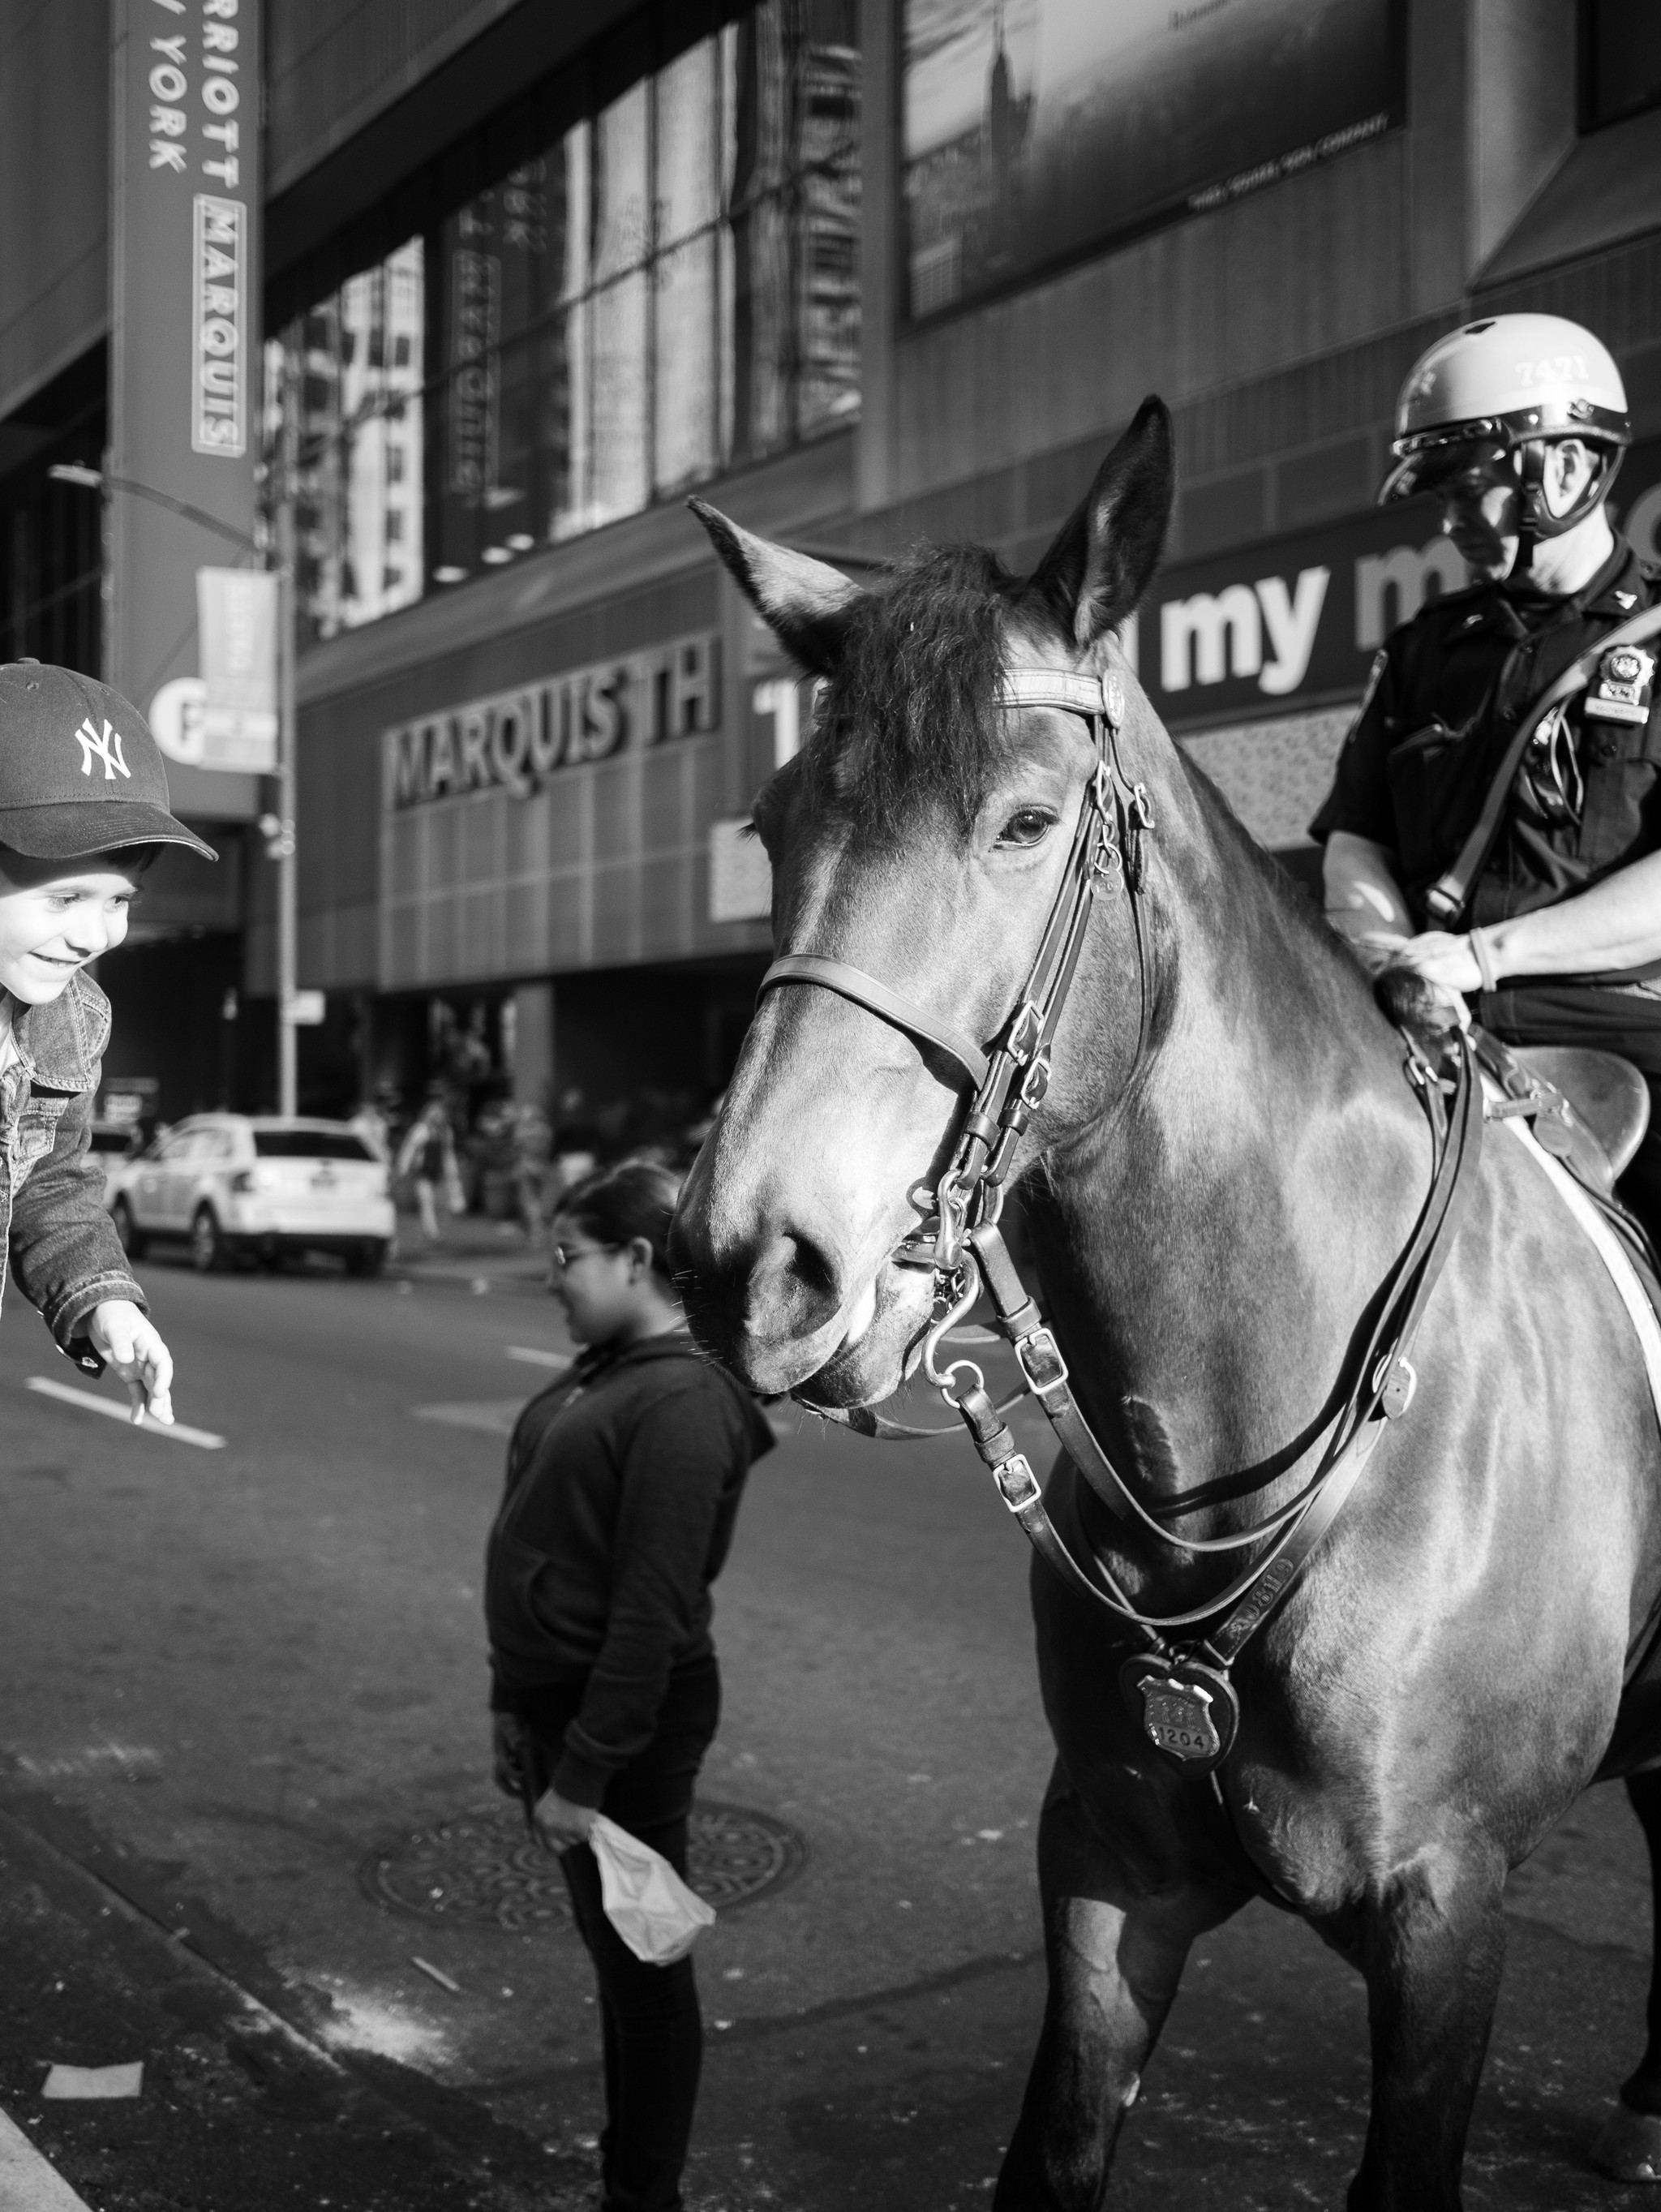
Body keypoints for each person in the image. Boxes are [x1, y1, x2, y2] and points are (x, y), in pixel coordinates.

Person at [1311, 311, 1661, 1229]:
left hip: (1604, 1028)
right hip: (1410, 1017)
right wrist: (1385, 954)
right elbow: (1356, 840)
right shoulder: (1422, 649)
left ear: (1567, 466)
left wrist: (1477, 960)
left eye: (1469, 489)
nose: (1450, 518)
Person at [483, 1161, 773, 2212]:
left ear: (638, 1259)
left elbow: (650, 1615)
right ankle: (628, 2174)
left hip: (626, 1727)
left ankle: (642, 2195)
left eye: (569, 1257)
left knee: (645, 1977)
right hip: (565, 1709)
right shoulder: (608, 1367)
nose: (553, 1278)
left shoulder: (685, 1398)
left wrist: (586, 1773)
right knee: (617, 1960)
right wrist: (513, 1711)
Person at [0, 660, 216, 1422]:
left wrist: (106, 1304)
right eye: (64, 896)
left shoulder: (72, 1014)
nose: (94, 936)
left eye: (118, 900)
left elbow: (50, 1181)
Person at [395, 1095, 454, 1245]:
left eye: (440, 1114)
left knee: (440, 1203)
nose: (437, 1117)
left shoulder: (446, 1132)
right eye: (434, 1113)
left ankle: (430, 1229)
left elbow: (448, 1154)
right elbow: (408, 1150)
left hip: (439, 1172)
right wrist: (402, 1169)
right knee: (426, 1201)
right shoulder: (420, 1131)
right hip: (423, 1172)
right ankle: (432, 1232)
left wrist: (452, 1172)